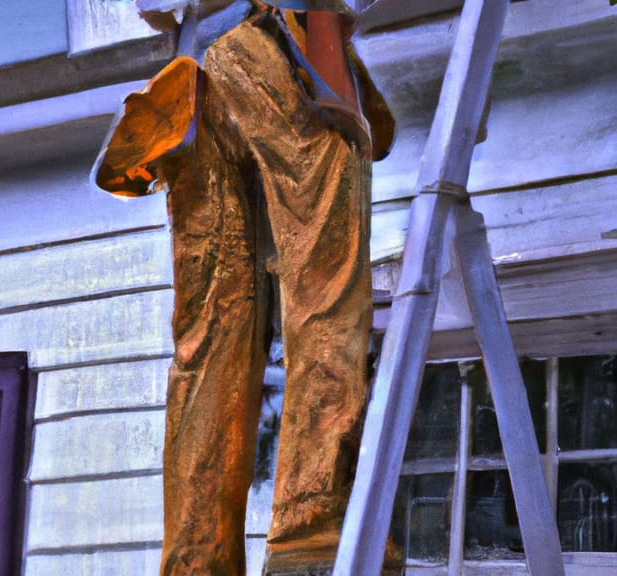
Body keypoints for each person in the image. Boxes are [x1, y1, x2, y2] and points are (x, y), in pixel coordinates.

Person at [92, 1, 394, 573]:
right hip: (280, 47)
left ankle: (196, 555)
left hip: (192, 81)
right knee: (323, 282)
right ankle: (313, 521)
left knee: (209, 339)